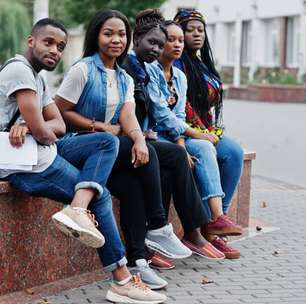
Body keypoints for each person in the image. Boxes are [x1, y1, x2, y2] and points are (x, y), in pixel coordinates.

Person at [0, 18, 166, 304]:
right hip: (24, 164)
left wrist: (31, 126)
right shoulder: (18, 70)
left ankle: (77, 208)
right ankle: (122, 281)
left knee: (106, 141)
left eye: (61, 46)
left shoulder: (36, 76)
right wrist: (36, 126)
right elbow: (44, 128)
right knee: (99, 197)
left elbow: (58, 125)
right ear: (31, 41)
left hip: (39, 151)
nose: (55, 50)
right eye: (48, 42)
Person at [54, 9, 193, 293]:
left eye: (120, 34)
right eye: (108, 34)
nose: (115, 40)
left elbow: (128, 115)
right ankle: (157, 226)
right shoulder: (83, 70)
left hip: (108, 152)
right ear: (97, 36)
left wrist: (139, 139)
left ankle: (136, 261)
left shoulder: (124, 77)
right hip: (78, 147)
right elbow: (59, 111)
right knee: (147, 155)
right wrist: (99, 126)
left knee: (133, 184)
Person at [121, 8, 225, 267]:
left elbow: (174, 114)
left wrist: (181, 139)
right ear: (136, 41)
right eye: (157, 42)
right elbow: (154, 113)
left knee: (183, 156)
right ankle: (169, 232)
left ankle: (190, 231)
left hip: (148, 136)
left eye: (161, 42)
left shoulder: (159, 71)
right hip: (132, 138)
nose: (160, 47)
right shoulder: (134, 68)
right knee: (167, 160)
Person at [147, 11, 244, 259]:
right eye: (189, 30)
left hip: (196, 130)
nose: (195, 35)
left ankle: (215, 224)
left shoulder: (194, 66)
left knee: (233, 152)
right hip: (183, 132)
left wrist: (199, 133)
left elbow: (180, 111)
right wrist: (192, 136)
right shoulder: (165, 67)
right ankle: (211, 223)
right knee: (204, 150)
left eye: (199, 30)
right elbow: (171, 114)